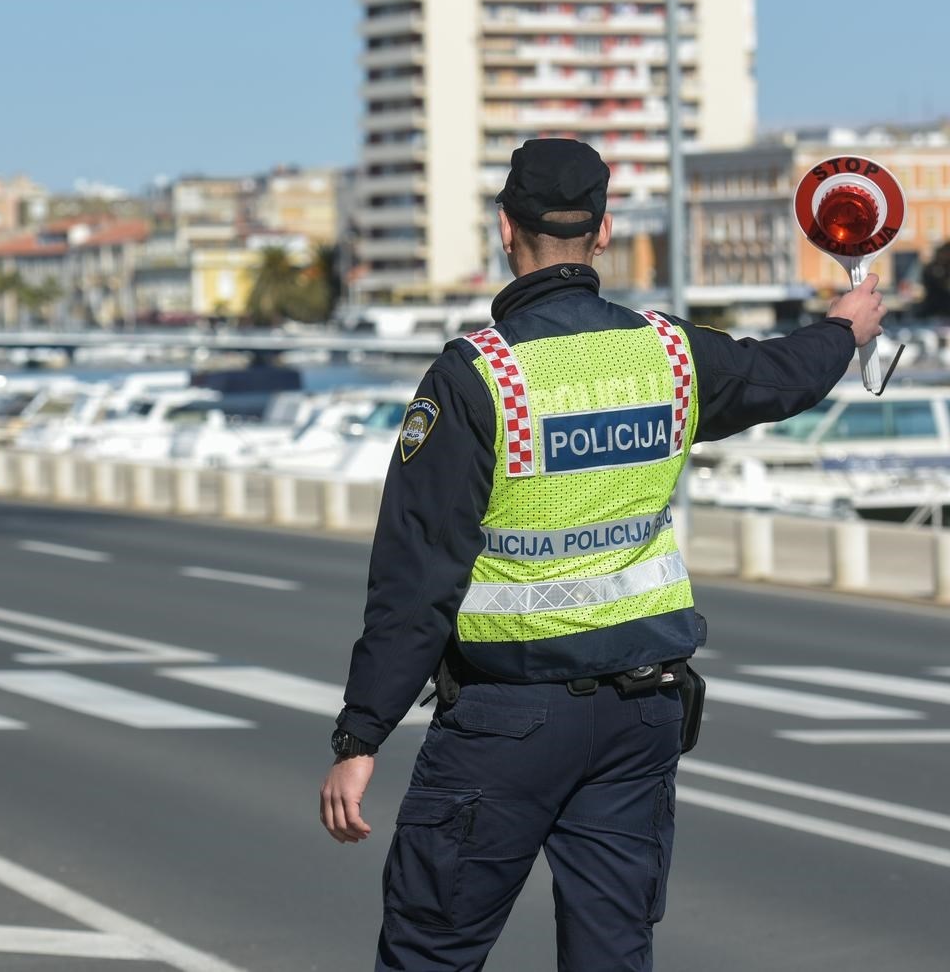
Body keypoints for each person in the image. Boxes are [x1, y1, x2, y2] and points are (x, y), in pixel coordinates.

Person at [318, 138, 886, 972]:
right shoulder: (668, 355)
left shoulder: (480, 377)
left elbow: (417, 576)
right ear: (606, 231)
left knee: (430, 954)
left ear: (504, 230)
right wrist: (844, 328)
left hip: (505, 722)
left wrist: (360, 739)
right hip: (638, 719)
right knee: (612, 956)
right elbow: (779, 377)